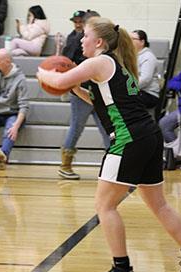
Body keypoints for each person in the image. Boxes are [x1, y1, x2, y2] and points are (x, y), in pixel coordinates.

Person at [37, 17, 181, 272]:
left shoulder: (99, 61)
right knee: (158, 204)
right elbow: (103, 103)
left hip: (128, 139)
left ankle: (121, 270)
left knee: (104, 206)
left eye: (85, 36)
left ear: (98, 41)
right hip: (147, 135)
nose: (81, 41)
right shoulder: (116, 64)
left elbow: (59, 76)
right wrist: (76, 89)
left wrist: (44, 73)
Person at [59, 10, 110, 180]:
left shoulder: (101, 42)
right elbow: (65, 62)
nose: (77, 23)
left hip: (99, 91)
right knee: (77, 128)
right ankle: (65, 165)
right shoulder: (76, 39)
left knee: (107, 129)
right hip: (81, 91)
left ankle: (111, 165)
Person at [0, 48, 29, 170]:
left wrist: (16, 126)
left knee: (11, 128)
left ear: (7, 62)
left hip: (13, 113)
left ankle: (3, 156)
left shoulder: (20, 79)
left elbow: (24, 106)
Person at [130, 30, 160, 114]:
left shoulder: (148, 57)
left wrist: (127, 88)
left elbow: (145, 79)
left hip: (149, 94)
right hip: (138, 91)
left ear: (142, 42)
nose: (129, 41)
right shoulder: (133, 56)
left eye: (133, 39)